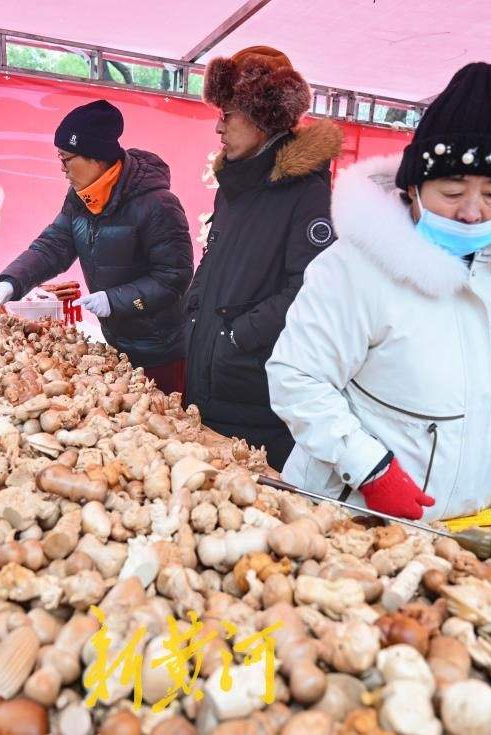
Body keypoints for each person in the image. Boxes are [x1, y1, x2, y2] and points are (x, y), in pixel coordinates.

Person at [266, 62, 491, 522]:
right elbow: (296, 378)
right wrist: (370, 470)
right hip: (351, 512)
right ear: (413, 188)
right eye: (452, 190)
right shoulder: (354, 269)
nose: (470, 212)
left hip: (465, 519)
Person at [184, 46, 342, 470]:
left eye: (228, 113)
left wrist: (234, 337)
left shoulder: (306, 192)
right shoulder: (233, 185)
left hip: (255, 391)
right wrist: (194, 315)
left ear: (261, 116)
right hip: (209, 378)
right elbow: (212, 261)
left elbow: (309, 289)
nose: (218, 126)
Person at [0, 100, 193, 395]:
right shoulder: (81, 198)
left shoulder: (158, 204)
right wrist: (11, 282)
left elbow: (174, 277)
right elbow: (53, 246)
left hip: (161, 349)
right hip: (116, 341)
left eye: (66, 159)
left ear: (96, 157)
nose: (62, 169)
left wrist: (115, 300)